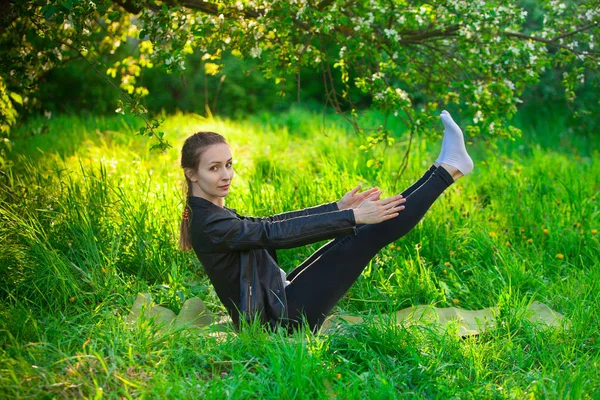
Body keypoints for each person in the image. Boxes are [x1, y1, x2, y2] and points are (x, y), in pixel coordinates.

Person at [179, 110, 474, 332]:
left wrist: (338, 208)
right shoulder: (209, 225)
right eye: (214, 168)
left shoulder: (210, 213)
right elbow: (272, 233)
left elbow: (268, 223)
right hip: (279, 322)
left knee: (358, 233)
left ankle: (445, 167)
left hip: (277, 300)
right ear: (193, 174)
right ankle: (448, 170)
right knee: (366, 235)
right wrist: (351, 216)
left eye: (229, 164)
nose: (226, 175)